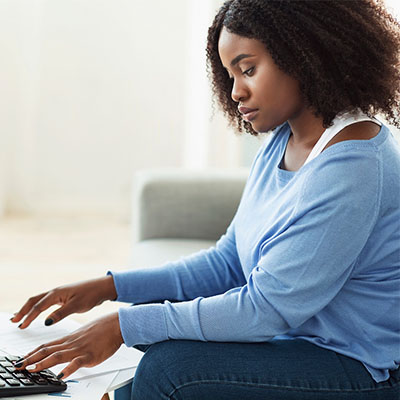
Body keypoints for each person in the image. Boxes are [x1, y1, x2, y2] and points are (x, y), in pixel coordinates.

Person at [10, 0, 400, 399]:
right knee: (135, 377)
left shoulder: (353, 166)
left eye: (248, 70)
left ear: (305, 54)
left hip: (362, 368)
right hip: (301, 345)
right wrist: (109, 287)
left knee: (172, 369)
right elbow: (228, 262)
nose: (235, 92)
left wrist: (124, 325)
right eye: (229, 75)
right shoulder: (285, 139)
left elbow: (264, 310)